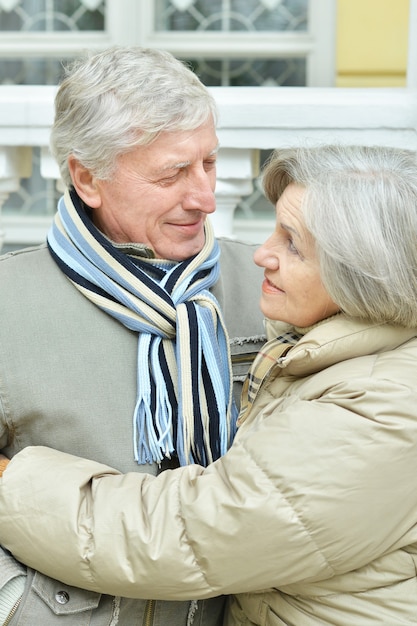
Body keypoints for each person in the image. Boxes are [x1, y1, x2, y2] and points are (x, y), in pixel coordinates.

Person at [2, 144, 417, 625]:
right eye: (171, 171)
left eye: (292, 244)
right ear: (87, 177)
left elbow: (185, 535)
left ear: (364, 275)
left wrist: (11, 483)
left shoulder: (384, 406)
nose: (263, 254)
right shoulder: (330, 352)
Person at [0, 46, 266, 626]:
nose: (204, 197)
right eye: (172, 174)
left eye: (210, 164)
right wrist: (19, 606)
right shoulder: (6, 301)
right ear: (87, 177)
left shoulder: (274, 290)